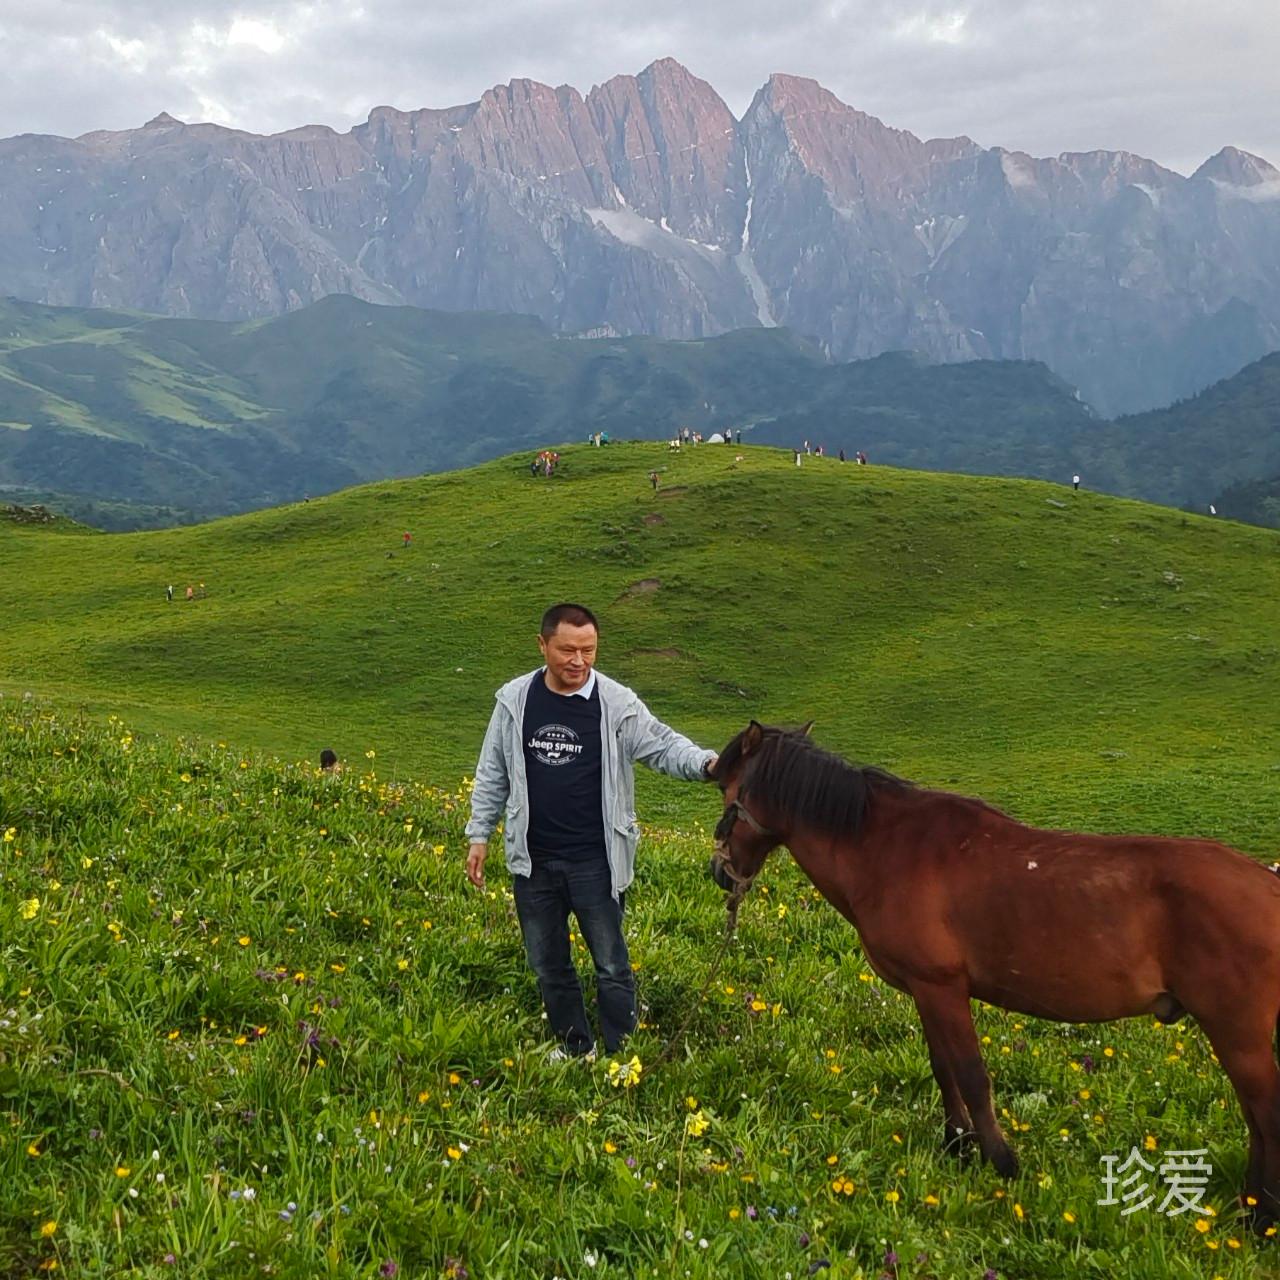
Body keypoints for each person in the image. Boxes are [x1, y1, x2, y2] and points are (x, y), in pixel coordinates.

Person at [465, 603, 718, 1060]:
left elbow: (662, 745)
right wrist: (479, 834)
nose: (578, 661)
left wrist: (707, 764)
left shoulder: (616, 703)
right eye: (567, 650)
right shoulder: (514, 701)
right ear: (542, 645)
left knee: (612, 964)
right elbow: (492, 772)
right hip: (533, 862)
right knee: (548, 963)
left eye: (589, 650)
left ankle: (622, 1055)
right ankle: (575, 1047)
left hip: (596, 863)